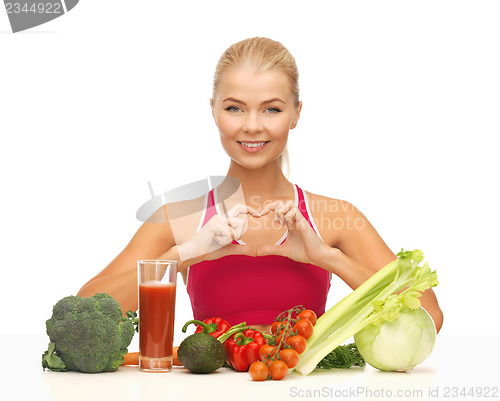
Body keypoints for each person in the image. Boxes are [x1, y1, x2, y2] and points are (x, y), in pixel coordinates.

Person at [78, 37, 443, 334]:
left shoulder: (333, 216)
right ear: (213, 111)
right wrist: (183, 255)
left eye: (271, 109)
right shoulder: (178, 218)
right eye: (235, 108)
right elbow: (82, 312)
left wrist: (328, 258)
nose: (252, 125)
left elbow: (429, 316)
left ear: (296, 113)